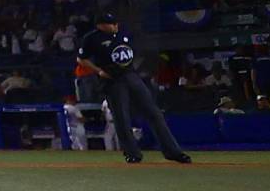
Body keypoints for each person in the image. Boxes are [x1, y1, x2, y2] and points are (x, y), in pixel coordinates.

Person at [77, 14, 191, 164]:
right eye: (111, 23)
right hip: (112, 79)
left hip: (130, 75)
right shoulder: (92, 38)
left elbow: (132, 53)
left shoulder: (123, 34)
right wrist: (99, 71)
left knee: (154, 113)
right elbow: (81, 59)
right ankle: (132, 153)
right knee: (121, 118)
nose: (115, 26)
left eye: (115, 23)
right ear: (101, 25)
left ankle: (173, 152)